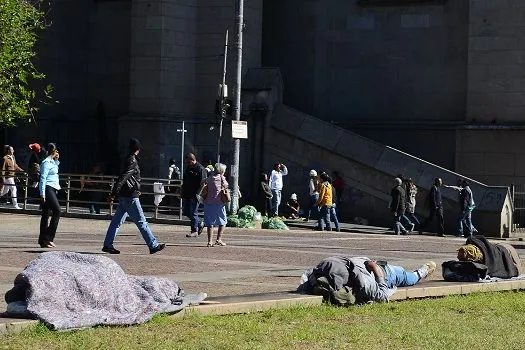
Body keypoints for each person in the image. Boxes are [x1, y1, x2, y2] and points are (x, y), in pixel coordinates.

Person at [102, 138, 166, 255]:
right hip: (130, 197)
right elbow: (124, 177)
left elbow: (126, 178)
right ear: (138, 149)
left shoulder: (127, 159)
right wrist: (113, 193)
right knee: (141, 222)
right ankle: (153, 245)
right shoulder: (132, 161)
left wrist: (117, 192)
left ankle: (107, 244)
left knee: (116, 222)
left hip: (126, 195)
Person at [298, 256, 436, 304]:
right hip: (382, 272)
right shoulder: (330, 265)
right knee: (408, 278)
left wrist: (374, 267)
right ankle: (422, 271)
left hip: (387, 272)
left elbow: (382, 296)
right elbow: (382, 295)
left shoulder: (328, 265)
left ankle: (423, 270)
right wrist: (374, 267)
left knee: (410, 278)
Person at [38, 143, 61, 248]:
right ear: (53, 151)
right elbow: (43, 178)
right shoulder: (46, 162)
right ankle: (48, 237)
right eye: (56, 151)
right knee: (57, 210)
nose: (57, 153)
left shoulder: (53, 162)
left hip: (53, 187)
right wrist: (42, 193)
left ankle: (43, 240)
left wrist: (56, 160)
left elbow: (55, 170)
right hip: (48, 188)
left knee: (45, 215)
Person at [202, 163, 229, 247]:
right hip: (219, 203)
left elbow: (202, 182)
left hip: (208, 203)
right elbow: (226, 186)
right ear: (222, 171)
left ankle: (209, 241)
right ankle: (218, 239)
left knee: (210, 223)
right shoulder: (222, 178)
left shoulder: (209, 178)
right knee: (223, 221)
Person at [182, 153, 207, 237]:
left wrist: (199, 194)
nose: (187, 164)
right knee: (186, 212)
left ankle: (194, 231)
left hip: (195, 194)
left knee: (193, 212)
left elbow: (203, 183)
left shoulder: (200, 169)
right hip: (187, 193)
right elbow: (185, 179)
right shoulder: (188, 167)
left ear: (193, 160)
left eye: (188, 162)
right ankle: (200, 223)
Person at [1, 145, 25, 209]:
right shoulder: (5, 158)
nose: (13, 151)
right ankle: (15, 205)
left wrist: (22, 171)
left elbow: (15, 166)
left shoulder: (12, 157)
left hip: (12, 177)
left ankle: (14, 204)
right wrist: (3, 178)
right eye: (12, 150)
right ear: (8, 151)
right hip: (7, 177)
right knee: (14, 189)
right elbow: (2, 169)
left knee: (4, 191)